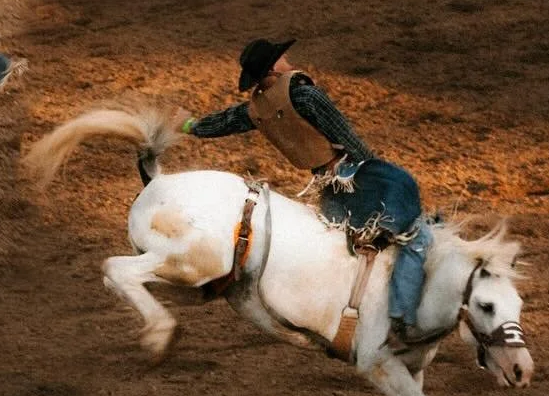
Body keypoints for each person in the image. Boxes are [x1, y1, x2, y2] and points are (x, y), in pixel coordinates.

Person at [183, 38, 432, 337]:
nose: (288, 59)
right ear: (274, 66)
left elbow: (224, 122)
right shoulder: (305, 95)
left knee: (344, 249)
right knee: (417, 235)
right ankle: (403, 314)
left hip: (329, 191)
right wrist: (381, 175)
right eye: (282, 57)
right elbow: (348, 139)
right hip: (356, 177)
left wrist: (191, 126)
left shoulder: (258, 107)